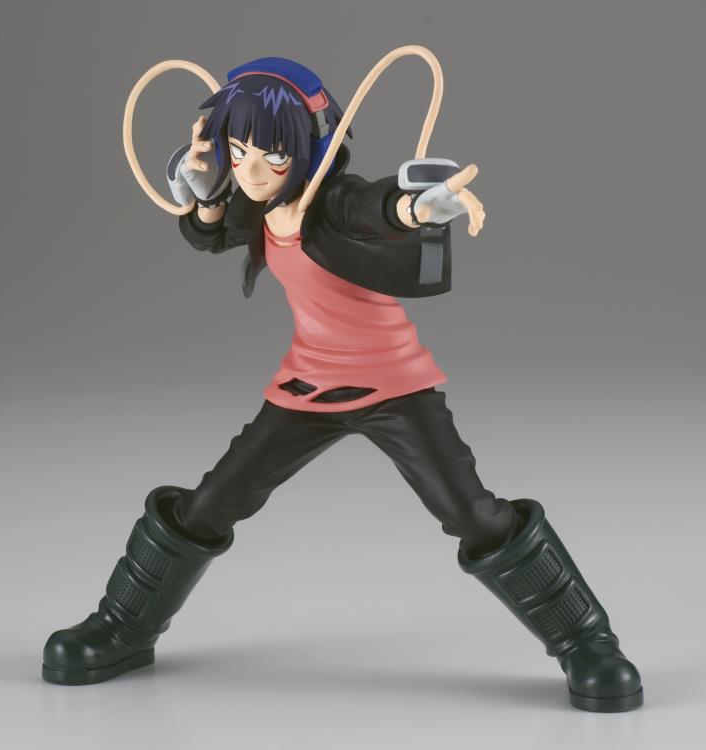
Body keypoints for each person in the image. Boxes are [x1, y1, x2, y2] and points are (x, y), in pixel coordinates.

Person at [42, 57, 642, 712]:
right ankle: (122, 628)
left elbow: (379, 208)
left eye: (271, 154)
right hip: (307, 387)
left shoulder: (332, 201)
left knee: (473, 514)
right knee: (210, 503)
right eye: (239, 151)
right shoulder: (260, 208)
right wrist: (206, 193)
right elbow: (210, 234)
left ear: (309, 148)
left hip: (393, 385)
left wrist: (419, 208)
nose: (252, 170)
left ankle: (587, 641)